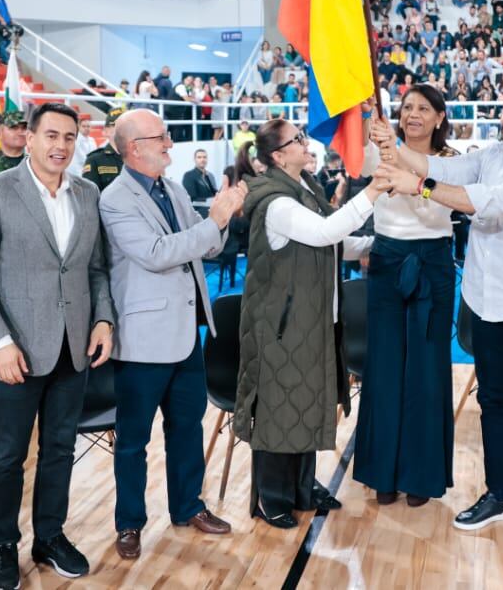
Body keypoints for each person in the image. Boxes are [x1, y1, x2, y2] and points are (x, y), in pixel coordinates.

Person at [372, 82, 503, 541]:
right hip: (485, 298)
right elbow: (441, 166)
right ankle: (497, 494)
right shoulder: (490, 156)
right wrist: (393, 144)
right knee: (491, 400)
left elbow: (490, 203)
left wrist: (421, 188)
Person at [0, 103, 116, 590]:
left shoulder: (87, 193)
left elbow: (95, 269)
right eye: (51, 135)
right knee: (7, 456)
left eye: (69, 137)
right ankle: (3, 543)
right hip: (16, 352)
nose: (60, 146)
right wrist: (0, 343)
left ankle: (50, 536)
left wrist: (103, 319)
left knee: (60, 450)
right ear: (29, 138)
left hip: (74, 347)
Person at [99, 109, 243, 559]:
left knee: (186, 429)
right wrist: (213, 223)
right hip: (142, 341)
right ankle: (129, 523)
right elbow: (157, 253)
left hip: (185, 334)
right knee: (133, 441)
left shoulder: (173, 188)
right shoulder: (115, 199)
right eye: (160, 137)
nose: (169, 144)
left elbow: (207, 246)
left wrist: (220, 222)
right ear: (133, 148)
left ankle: (188, 506)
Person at [233, 119, 387, 529]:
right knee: (279, 413)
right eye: (297, 139)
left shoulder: (305, 188)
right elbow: (323, 232)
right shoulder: (277, 203)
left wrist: (375, 244)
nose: (305, 142)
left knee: (306, 406)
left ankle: (302, 487)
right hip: (283, 325)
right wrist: (372, 192)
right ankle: (271, 497)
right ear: (278, 155)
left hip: (311, 318)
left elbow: (333, 241)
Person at [355, 85, 457, 508]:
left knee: (427, 370)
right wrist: (372, 128)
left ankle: (421, 475)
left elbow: (430, 210)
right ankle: (382, 472)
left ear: (439, 117)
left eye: (423, 108)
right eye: (407, 107)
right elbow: (361, 172)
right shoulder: (378, 153)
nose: (413, 114)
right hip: (386, 263)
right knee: (384, 366)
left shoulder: (451, 161)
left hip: (432, 264)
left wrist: (401, 163)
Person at [81, 107, 126, 192]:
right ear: (106, 131)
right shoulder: (95, 160)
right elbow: (89, 195)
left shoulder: (139, 158)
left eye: (125, 125)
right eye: (116, 125)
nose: (121, 128)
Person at [181, 148, 218, 217]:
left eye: (204, 157)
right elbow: (191, 197)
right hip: (198, 212)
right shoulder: (189, 175)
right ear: (194, 160)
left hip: (212, 209)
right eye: (199, 157)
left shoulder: (210, 175)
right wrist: (208, 200)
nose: (202, 160)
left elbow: (214, 192)